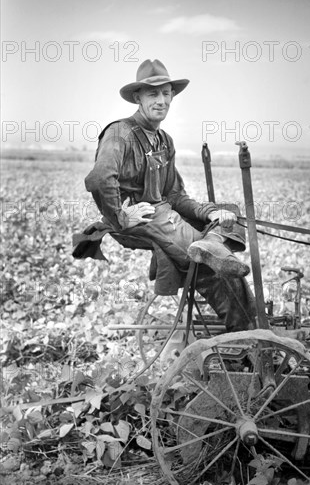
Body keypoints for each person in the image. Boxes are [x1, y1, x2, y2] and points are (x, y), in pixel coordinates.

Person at [83, 59, 257, 331]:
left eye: (166, 93)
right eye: (153, 93)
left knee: (229, 212)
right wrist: (120, 218)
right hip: (142, 219)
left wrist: (209, 212)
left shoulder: (164, 141)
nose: (161, 100)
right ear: (138, 97)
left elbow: (175, 195)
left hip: (164, 211)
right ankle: (246, 336)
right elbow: (98, 179)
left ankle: (210, 243)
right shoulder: (120, 133)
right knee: (213, 271)